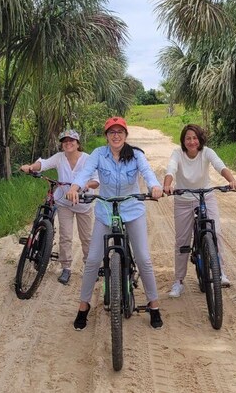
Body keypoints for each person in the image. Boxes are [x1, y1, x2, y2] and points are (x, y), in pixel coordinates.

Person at [66, 116, 165, 330]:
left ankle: (154, 304)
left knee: (144, 259)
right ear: (106, 136)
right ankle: (84, 306)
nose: (116, 135)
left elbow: (148, 173)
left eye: (120, 131)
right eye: (112, 132)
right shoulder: (98, 154)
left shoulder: (136, 154)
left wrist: (155, 187)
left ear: (126, 135)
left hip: (132, 210)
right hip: (105, 211)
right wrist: (75, 187)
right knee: (92, 260)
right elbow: (85, 173)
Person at [162, 123, 236, 298]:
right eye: (188, 138)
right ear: (183, 140)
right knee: (182, 242)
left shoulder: (207, 152)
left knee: (216, 233)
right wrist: (167, 185)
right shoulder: (178, 154)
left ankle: (220, 272)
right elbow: (171, 169)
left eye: (195, 138)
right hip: (183, 200)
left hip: (206, 197)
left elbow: (220, 166)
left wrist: (232, 180)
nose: (191, 141)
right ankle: (179, 281)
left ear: (200, 139)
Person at [20, 129, 99, 285]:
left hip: (83, 203)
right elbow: (43, 164)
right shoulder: (59, 158)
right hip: (64, 203)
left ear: (78, 143)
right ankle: (66, 268)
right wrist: (30, 167)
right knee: (65, 236)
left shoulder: (88, 159)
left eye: (71, 141)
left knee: (87, 238)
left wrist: (82, 186)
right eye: (65, 141)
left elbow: (96, 181)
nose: (68, 143)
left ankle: (90, 268)